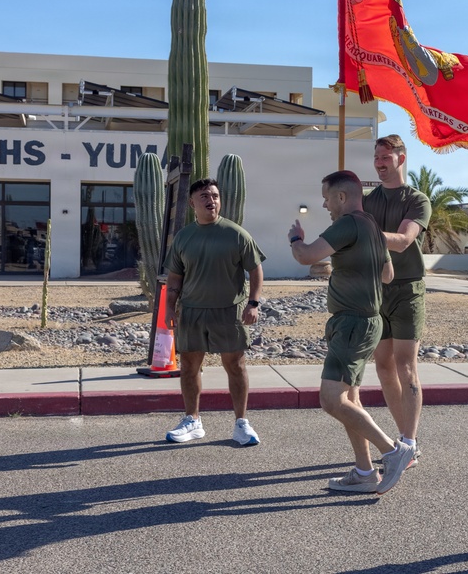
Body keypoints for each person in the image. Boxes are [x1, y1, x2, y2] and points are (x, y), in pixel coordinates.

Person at [289, 170, 415, 495]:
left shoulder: (346, 223)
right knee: (351, 399)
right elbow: (387, 275)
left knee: (331, 399)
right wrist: (349, 265)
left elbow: (305, 256)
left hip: (351, 325)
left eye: (327, 197)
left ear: (342, 197)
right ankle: (364, 471)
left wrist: (295, 237)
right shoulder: (372, 226)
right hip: (370, 322)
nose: (324, 203)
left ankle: (393, 451)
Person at [163, 178, 266, 447]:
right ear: (192, 203)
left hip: (229, 311)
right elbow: (174, 279)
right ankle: (192, 421)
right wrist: (168, 310)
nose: (212, 200)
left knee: (235, 365)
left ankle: (241, 423)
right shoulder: (184, 237)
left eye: (215, 195)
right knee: (189, 367)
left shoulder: (236, 233)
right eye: (205, 196)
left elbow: (255, 269)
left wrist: (253, 304)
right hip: (193, 311)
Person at [362, 134, 432, 468]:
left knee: (406, 364)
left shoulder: (417, 199)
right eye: (376, 157)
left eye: (385, 158)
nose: (379, 163)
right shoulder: (369, 200)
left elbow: (404, 241)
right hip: (377, 289)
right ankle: (402, 439)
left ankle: (410, 442)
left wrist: (363, 233)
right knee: (383, 364)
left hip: (407, 289)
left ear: (401, 159)